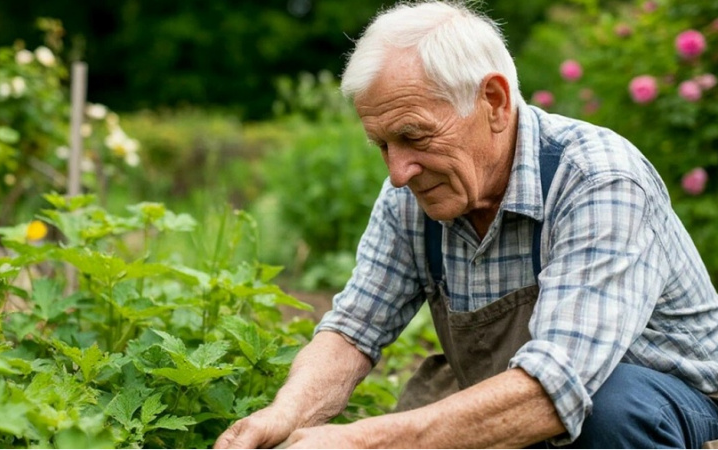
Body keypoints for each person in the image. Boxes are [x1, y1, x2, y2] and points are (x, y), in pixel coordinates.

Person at [215, 1, 718, 448]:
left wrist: (361, 441)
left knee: (612, 406)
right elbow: (352, 330)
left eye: (414, 136)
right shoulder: (417, 195)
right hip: (529, 397)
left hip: (677, 403)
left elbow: (557, 385)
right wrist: (283, 416)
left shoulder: (599, 180)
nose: (397, 172)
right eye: (383, 145)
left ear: (494, 102)